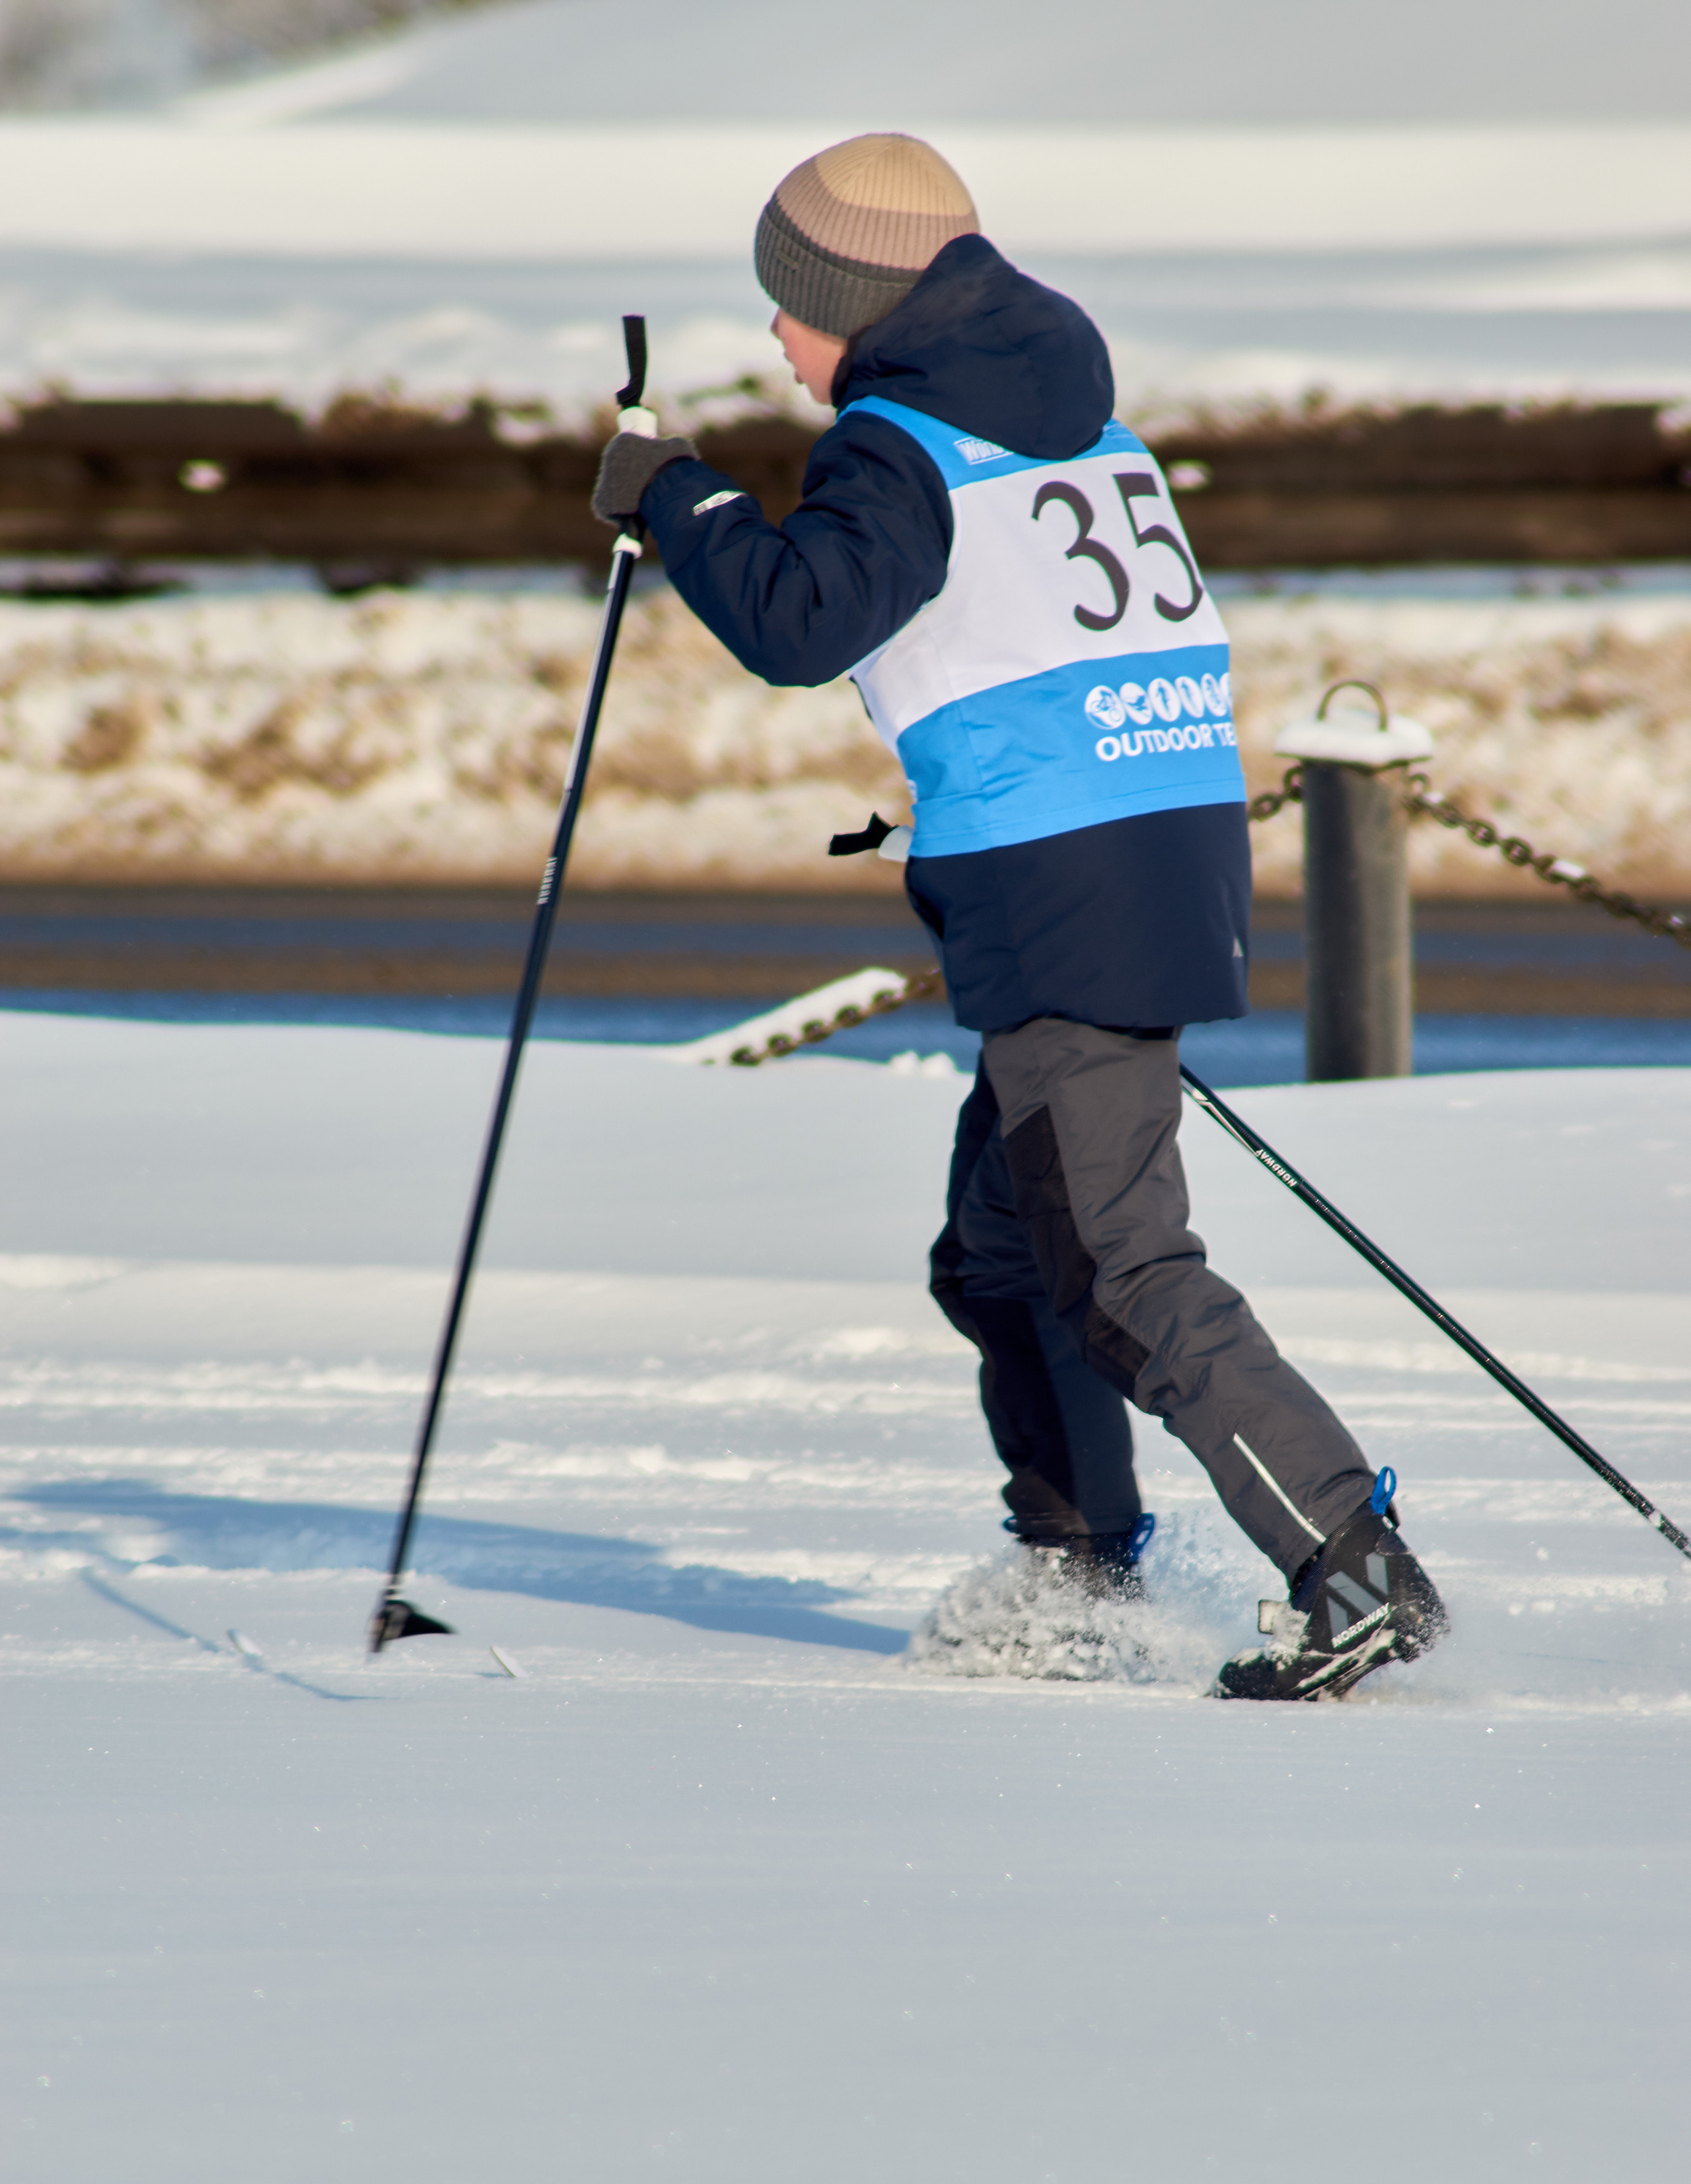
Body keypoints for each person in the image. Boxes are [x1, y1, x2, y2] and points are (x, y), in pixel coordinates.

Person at [591, 132, 1446, 1700]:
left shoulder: (896, 442)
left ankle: (1349, 1564)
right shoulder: (1075, 413)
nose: (776, 340)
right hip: (1141, 853)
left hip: (1066, 881)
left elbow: (803, 621)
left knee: (1118, 1266)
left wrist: (678, 497)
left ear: (853, 301)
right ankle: (1079, 1565)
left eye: (787, 307)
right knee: (998, 1253)